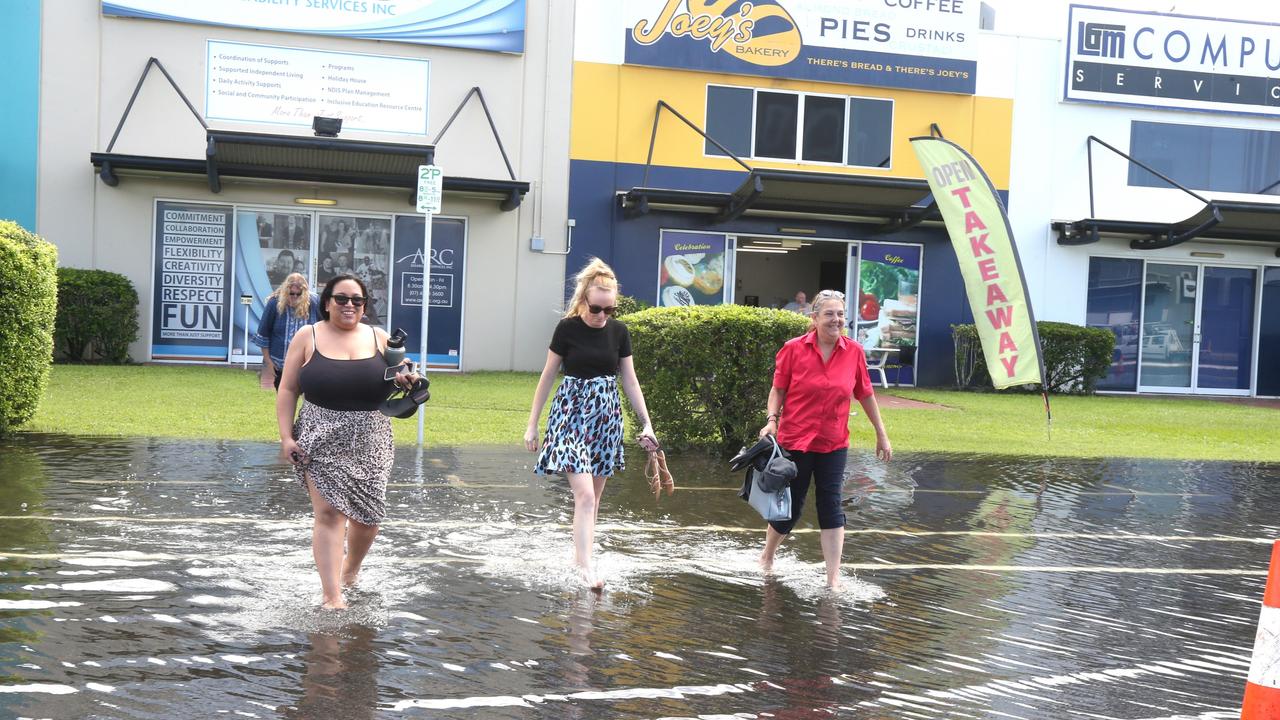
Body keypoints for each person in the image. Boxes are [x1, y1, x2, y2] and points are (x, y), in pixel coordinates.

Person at [276, 274, 421, 610]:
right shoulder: (307, 336)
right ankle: (332, 596)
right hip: (319, 434)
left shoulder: (380, 337)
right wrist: (286, 437)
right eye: (341, 299)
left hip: (371, 438)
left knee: (368, 520)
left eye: (357, 300)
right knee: (328, 513)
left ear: (365, 306)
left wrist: (407, 378)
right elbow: (287, 389)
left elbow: (405, 374)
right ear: (326, 303)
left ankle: (350, 571)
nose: (349, 306)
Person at [524, 258, 659, 590]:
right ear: (583, 300)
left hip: (606, 417)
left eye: (609, 310)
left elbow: (630, 380)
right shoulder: (567, 329)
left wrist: (647, 424)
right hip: (570, 415)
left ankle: (579, 557)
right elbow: (546, 376)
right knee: (584, 495)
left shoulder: (619, 332)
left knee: (593, 499)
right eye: (597, 308)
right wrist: (532, 424)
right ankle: (586, 569)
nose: (602, 316)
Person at [757, 288, 892, 590]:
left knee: (831, 506)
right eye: (829, 314)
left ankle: (833, 578)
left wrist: (881, 434)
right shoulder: (793, 348)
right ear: (814, 318)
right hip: (796, 440)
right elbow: (778, 388)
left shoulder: (854, 352)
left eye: (841, 314)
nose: (836, 319)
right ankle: (767, 556)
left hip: (833, 442)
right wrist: (771, 421)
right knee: (790, 509)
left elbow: (866, 394)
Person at [253, 273, 321, 391]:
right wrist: (269, 363)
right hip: (280, 366)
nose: (294, 297)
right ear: (285, 291)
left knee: (310, 402)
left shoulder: (314, 302)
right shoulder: (274, 303)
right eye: (291, 293)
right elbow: (263, 335)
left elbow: (324, 330)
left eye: (298, 294)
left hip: (307, 366)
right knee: (285, 401)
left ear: (304, 292)